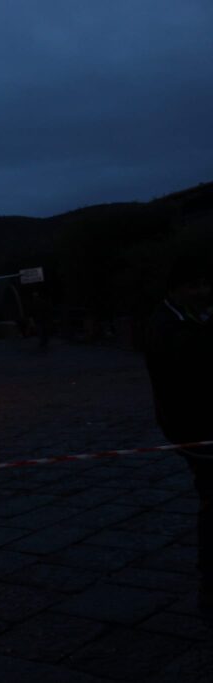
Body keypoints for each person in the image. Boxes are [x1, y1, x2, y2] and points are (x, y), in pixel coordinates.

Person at [144, 252, 213, 610]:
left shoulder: (190, 317)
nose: (202, 291)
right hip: (195, 428)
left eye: (205, 284)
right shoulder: (169, 329)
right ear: (174, 289)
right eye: (193, 285)